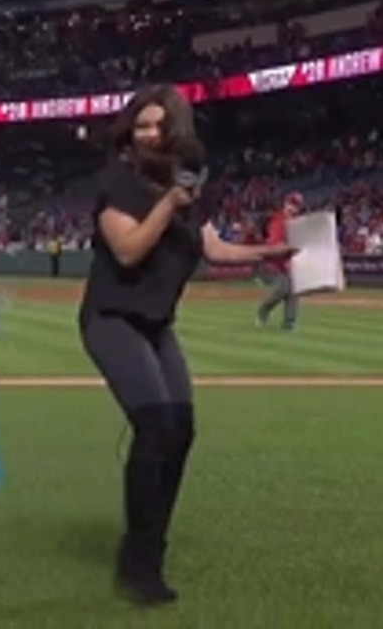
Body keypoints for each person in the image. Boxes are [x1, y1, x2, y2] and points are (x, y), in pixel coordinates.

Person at [78, 85, 295, 606]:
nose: (148, 133)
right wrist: (170, 204)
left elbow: (214, 248)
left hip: (155, 324)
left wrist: (272, 251)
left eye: (158, 125)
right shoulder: (115, 182)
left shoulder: (189, 188)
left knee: (182, 430)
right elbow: (128, 250)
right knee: (155, 425)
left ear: (176, 130)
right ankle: (138, 563)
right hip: (111, 318)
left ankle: (153, 543)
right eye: (141, 125)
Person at [257, 192, 303, 330]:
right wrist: (284, 257)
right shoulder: (278, 220)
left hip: (292, 261)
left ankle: (289, 322)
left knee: (294, 291)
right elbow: (274, 243)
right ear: (285, 204)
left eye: (296, 205)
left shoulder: (298, 222)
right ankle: (263, 310)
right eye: (291, 204)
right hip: (276, 261)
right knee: (281, 289)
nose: (293, 208)